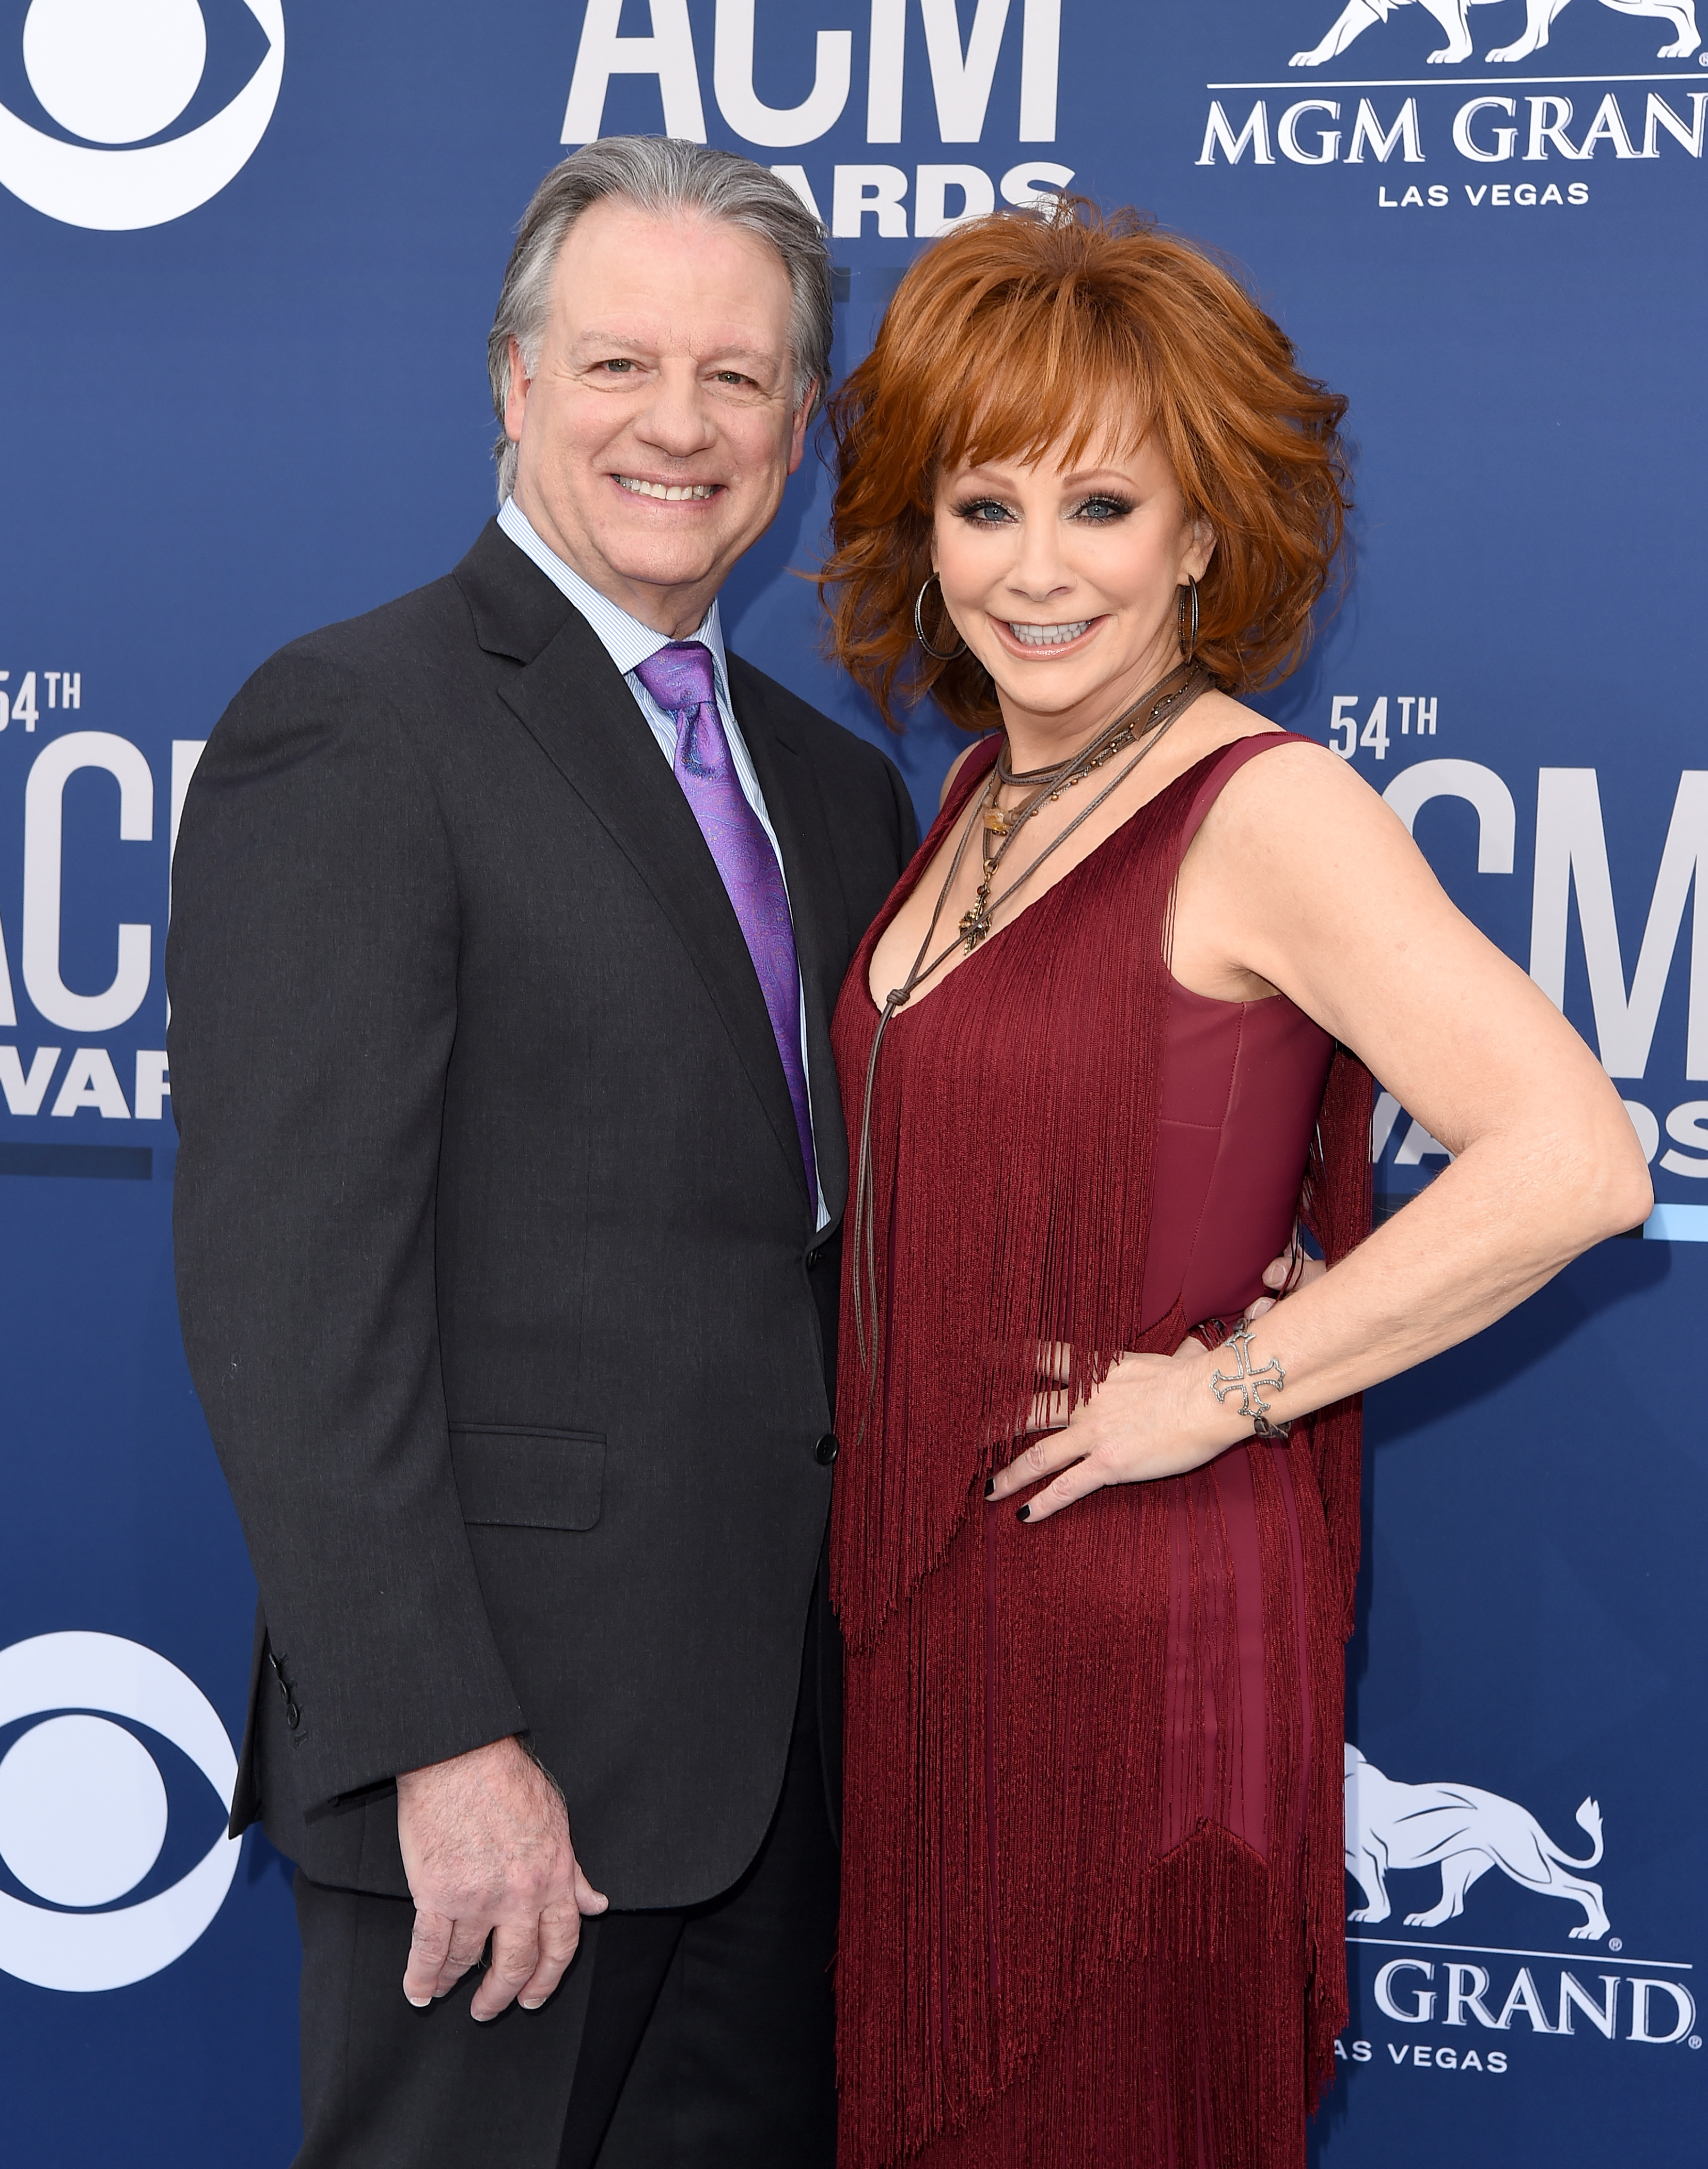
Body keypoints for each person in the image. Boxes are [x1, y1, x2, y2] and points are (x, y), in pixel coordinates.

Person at [816, 199, 1651, 2169]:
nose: (1033, 573)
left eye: (1099, 509)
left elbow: (1573, 1158)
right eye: (982, 505)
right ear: (922, 537)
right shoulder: (981, 793)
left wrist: (1220, 1390)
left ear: (1201, 532)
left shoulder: (1263, 807)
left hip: (1132, 1642)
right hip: (947, 1627)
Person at [167, 139, 918, 2169]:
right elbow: (290, 1297)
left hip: (775, 1771)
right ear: (509, 385)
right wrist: (438, 1739)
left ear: (799, 422)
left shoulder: (840, 793)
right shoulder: (355, 725)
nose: (678, 426)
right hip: (501, 1778)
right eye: (616, 366)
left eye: (739, 378)